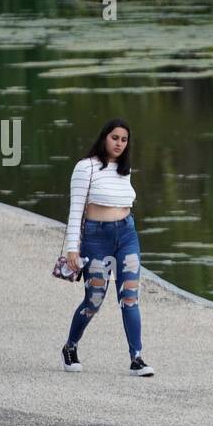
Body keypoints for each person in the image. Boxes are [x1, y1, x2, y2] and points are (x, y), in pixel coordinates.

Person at [61, 118, 154, 376]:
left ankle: (136, 357)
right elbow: (75, 210)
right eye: (115, 138)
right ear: (104, 137)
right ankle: (70, 346)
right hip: (95, 238)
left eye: (124, 140)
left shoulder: (125, 170)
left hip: (126, 235)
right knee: (94, 299)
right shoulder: (85, 168)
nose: (119, 144)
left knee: (130, 297)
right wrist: (72, 249)